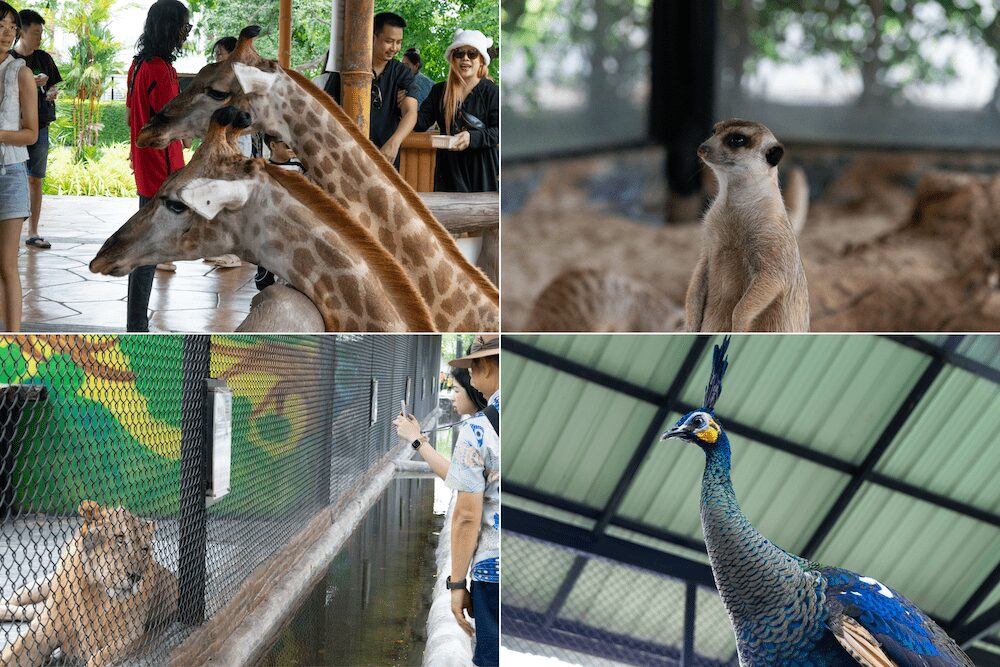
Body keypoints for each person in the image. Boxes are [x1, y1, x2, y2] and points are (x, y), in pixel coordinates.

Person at [394, 335, 499, 666]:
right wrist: (419, 442)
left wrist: (456, 585)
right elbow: (459, 475)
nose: (462, 387)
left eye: (465, 379)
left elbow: (466, 515)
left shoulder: (479, 429)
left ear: (487, 366)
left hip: (493, 571)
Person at [125, 0, 190, 331]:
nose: (185, 34)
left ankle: (136, 323)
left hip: (147, 168)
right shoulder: (161, 71)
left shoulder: (137, 66)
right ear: (169, 28)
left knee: (147, 251)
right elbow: (171, 123)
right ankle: (137, 326)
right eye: (183, 27)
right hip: (163, 174)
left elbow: (130, 117)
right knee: (148, 254)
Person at [415, 29, 498, 193]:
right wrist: (406, 100)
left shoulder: (492, 91)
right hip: (448, 171)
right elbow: (420, 123)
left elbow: (499, 131)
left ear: (481, 60)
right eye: (459, 53)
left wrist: (471, 138)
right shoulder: (439, 91)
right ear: (452, 58)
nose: (465, 58)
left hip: (482, 171)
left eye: (472, 53)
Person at [0, 2, 37, 332]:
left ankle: (10, 342)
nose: (7, 32)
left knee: (7, 265)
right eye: (1, 25)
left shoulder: (21, 73)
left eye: (12, 26)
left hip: (10, 174)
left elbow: (31, 133)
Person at [13, 9, 59, 251]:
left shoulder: (44, 58)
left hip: (40, 127)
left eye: (41, 33)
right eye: (35, 33)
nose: (39, 37)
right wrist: (28, 82)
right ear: (21, 32)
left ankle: (33, 232)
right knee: (11, 178)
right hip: (13, 130)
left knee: (35, 179)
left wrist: (50, 92)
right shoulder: (8, 58)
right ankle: (11, 233)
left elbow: (54, 90)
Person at [395, 364, 487, 480]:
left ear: (473, 391)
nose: (453, 397)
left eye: (456, 390)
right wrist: (417, 435)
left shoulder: (477, 428)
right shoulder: (482, 423)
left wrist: (415, 438)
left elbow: (460, 479)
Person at [202, 35, 243, 270]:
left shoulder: (237, 83)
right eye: (215, 53)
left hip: (233, 143)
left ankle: (233, 253)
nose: (217, 56)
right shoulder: (217, 80)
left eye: (221, 53)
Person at [370, 12, 417, 167]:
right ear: (372, 37)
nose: (395, 48)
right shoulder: (352, 68)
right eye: (389, 41)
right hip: (351, 153)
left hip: (387, 156)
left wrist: (394, 143)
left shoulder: (401, 72)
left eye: (399, 42)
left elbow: (410, 112)